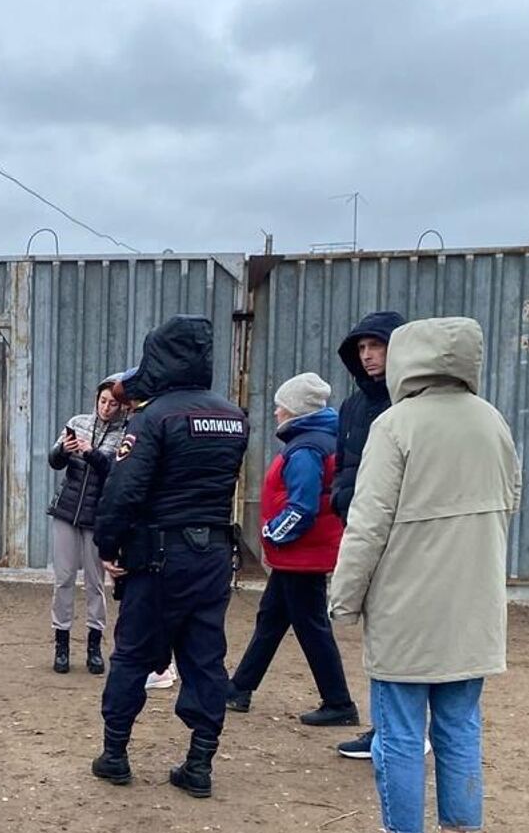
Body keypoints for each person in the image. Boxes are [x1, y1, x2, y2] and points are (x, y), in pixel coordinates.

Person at [331, 317, 521, 833]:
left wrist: (344, 598)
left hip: (406, 609)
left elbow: (366, 525)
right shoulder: (493, 422)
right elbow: (511, 499)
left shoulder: (395, 425)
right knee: (461, 723)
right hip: (475, 607)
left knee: (399, 729)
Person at [90, 315, 249, 796]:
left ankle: (115, 754)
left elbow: (124, 492)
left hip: (158, 557)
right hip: (214, 556)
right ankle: (199, 763)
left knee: (134, 653)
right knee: (205, 657)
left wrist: (107, 546)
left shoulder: (154, 417)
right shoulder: (233, 417)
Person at [225, 372, 357, 724]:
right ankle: (239, 688)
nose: (276, 412)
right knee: (271, 619)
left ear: (296, 410)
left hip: (301, 555)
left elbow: (303, 506)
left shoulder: (306, 448)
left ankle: (340, 703)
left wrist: (271, 534)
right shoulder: (318, 440)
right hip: (299, 556)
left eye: (280, 406)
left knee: (311, 627)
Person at [329, 310, 406, 760]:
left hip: (403, 534)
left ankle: (404, 730)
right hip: (360, 527)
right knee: (377, 634)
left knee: (406, 638)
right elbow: (343, 465)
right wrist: (342, 499)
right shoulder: (352, 406)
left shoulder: (408, 402)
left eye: (376, 346)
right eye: (361, 348)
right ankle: (383, 727)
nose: (368, 355)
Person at [47, 374, 129, 675]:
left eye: (113, 403)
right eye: (103, 401)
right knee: (63, 578)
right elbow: (54, 460)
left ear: (122, 407)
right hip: (66, 511)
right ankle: (61, 643)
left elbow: (115, 471)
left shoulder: (126, 433)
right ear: (96, 400)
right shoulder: (78, 421)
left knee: (95, 582)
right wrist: (63, 450)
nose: (106, 407)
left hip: (97, 515)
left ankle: (94, 645)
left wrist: (91, 453)